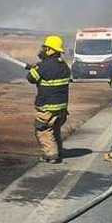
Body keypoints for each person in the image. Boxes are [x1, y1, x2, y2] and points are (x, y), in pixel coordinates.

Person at [25, 35, 71, 163]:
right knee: (54, 130)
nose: (43, 50)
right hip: (62, 108)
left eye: (45, 48)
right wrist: (37, 67)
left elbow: (31, 78)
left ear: (50, 50)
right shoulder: (64, 66)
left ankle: (51, 155)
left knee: (43, 130)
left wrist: (35, 68)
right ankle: (58, 152)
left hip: (47, 108)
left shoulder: (43, 66)